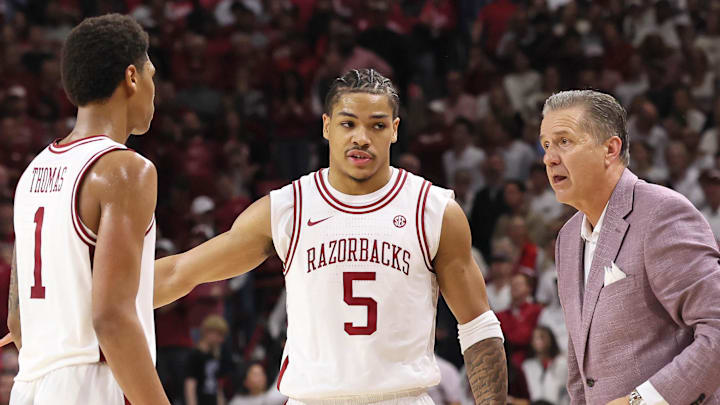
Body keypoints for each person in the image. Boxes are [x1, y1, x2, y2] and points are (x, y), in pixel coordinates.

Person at [155, 68, 507, 404]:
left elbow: (479, 326)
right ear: (326, 126)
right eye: (348, 123)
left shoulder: (433, 209)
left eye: (377, 125)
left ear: (395, 130)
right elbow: (182, 272)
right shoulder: (286, 208)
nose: (361, 138)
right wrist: (104, 298)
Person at [7, 14, 169, 405]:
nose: (153, 88)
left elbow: (16, 319)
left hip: (29, 385)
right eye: (151, 74)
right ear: (132, 77)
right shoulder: (125, 170)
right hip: (92, 384)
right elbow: (112, 318)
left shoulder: (33, 173)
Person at [540, 89, 720, 405]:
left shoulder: (662, 213)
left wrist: (640, 401)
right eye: (546, 145)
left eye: (564, 142)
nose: (549, 158)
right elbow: (580, 370)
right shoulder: (567, 239)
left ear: (610, 148)